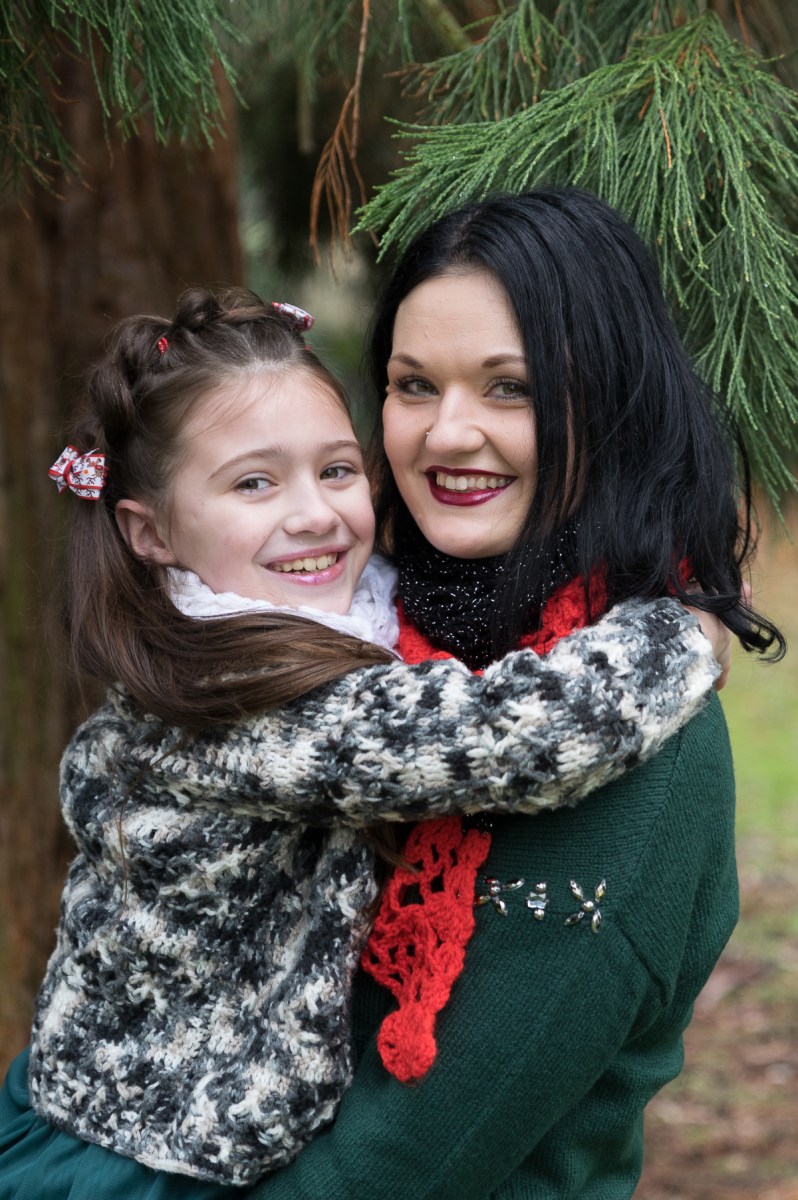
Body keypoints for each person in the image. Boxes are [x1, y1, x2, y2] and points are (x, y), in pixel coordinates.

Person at [0, 286, 728, 1200]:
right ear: (150, 533)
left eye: (337, 469)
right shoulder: (233, 692)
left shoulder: (342, 608)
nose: (314, 514)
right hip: (152, 1155)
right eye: (255, 483)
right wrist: (678, 636)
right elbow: (501, 739)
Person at [243, 188, 785, 1200]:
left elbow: (396, 1170)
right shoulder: (351, 635)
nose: (448, 434)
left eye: (511, 389)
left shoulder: (631, 745)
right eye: (414, 385)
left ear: (612, 404)